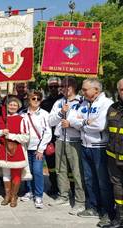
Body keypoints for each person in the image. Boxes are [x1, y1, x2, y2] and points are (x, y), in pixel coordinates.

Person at [69, 79, 115, 227]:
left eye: (85, 89)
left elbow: (100, 125)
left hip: (99, 147)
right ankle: (94, 207)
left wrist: (80, 123)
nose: (82, 91)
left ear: (96, 90)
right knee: (89, 180)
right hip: (85, 145)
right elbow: (71, 119)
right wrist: (85, 123)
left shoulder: (106, 103)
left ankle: (108, 212)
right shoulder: (83, 103)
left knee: (103, 182)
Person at [47, 78, 85, 215]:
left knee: (77, 172)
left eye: (66, 86)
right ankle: (63, 195)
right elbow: (50, 121)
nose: (63, 88)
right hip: (60, 139)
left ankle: (80, 201)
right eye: (62, 86)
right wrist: (60, 113)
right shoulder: (59, 102)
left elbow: (84, 121)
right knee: (60, 169)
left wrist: (71, 124)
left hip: (74, 140)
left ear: (73, 87)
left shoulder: (82, 102)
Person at [0, 96, 29, 208]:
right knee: (6, 173)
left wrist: (11, 135)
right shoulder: (1, 118)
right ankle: (7, 195)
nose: (12, 106)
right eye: (10, 104)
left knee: (16, 173)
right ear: (7, 106)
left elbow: (25, 137)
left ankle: (14, 196)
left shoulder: (22, 119)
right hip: (4, 148)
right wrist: (2, 132)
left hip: (17, 149)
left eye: (15, 105)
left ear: (18, 107)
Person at [20, 90, 52, 209]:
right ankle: (29, 191)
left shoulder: (44, 114)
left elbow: (48, 132)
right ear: (29, 99)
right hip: (25, 147)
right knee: (27, 172)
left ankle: (38, 195)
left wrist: (41, 149)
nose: (36, 101)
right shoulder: (22, 114)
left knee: (38, 171)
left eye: (39, 99)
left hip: (37, 148)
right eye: (34, 98)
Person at [104, 79, 123, 228]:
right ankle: (119, 218)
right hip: (113, 158)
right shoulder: (112, 108)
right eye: (122, 89)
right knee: (117, 188)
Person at [41, 77, 64, 196]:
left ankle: (67, 188)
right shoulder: (44, 102)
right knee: (51, 165)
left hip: (63, 136)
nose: (54, 89)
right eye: (51, 87)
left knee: (65, 165)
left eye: (56, 86)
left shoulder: (64, 100)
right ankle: (54, 186)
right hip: (50, 137)